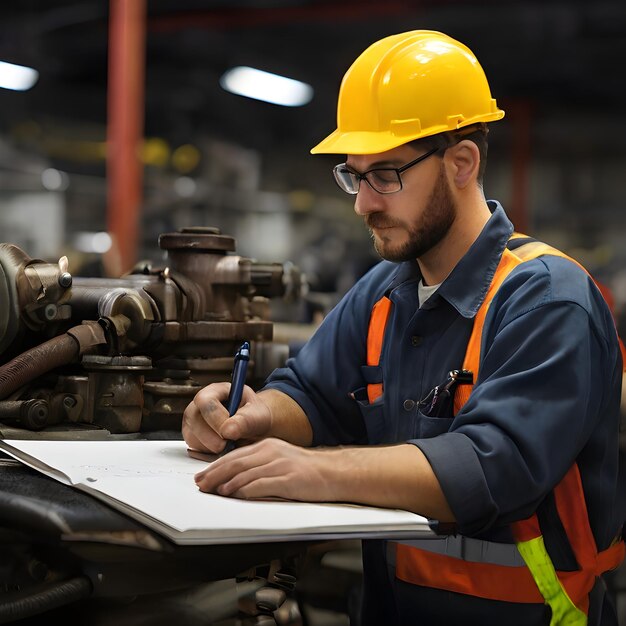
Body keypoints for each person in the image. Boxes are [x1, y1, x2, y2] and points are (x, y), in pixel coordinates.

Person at [182, 30, 625, 625]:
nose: (363, 203)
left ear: (462, 163)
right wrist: (256, 414)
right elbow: (311, 395)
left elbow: (493, 467)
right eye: (354, 175)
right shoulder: (384, 291)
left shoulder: (547, 298)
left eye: (385, 175)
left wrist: (317, 470)